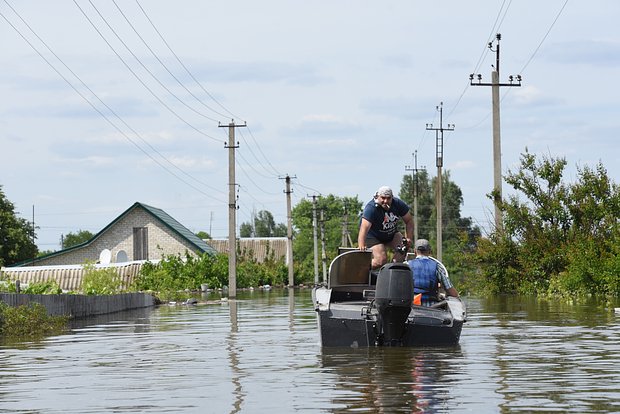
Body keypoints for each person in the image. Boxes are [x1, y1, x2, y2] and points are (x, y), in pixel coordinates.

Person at [358, 186, 414, 269]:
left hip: (390, 233)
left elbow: (409, 221)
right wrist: (361, 245)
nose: (385, 201)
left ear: (392, 197)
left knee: (404, 248)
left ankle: (392, 270)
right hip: (373, 236)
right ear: (378, 197)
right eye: (383, 198)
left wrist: (409, 238)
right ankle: (359, 269)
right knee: (380, 260)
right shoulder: (371, 208)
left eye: (388, 198)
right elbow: (364, 228)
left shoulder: (398, 204)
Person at [407, 239, 459, 306]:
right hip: (432, 308)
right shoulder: (437, 267)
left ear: (415, 251)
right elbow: (451, 291)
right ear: (429, 252)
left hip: (411, 307)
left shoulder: (407, 265)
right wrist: (457, 296)